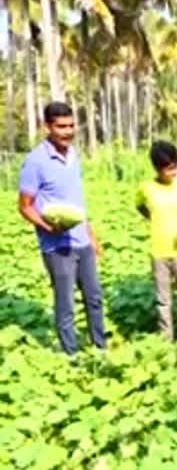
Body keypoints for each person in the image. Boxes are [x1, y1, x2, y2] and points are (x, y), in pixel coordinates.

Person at [17, 102, 106, 355]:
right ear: (48, 127)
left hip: (81, 241)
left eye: (71, 126)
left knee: (94, 298)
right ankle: (71, 357)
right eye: (61, 127)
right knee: (65, 304)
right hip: (56, 246)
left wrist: (91, 235)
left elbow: (77, 200)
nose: (68, 132)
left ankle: (101, 348)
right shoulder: (35, 162)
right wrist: (47, 226)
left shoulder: (74, 155)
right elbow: (25, 206)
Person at [136, 141, 177, 340]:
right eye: (168, 168)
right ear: (157, 168)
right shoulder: (146, 188)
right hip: (159, 251)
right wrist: (155, 219)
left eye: (175, 166)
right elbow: (140, 206)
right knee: (163, 300)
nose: (173, 172)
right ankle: (166, 339)